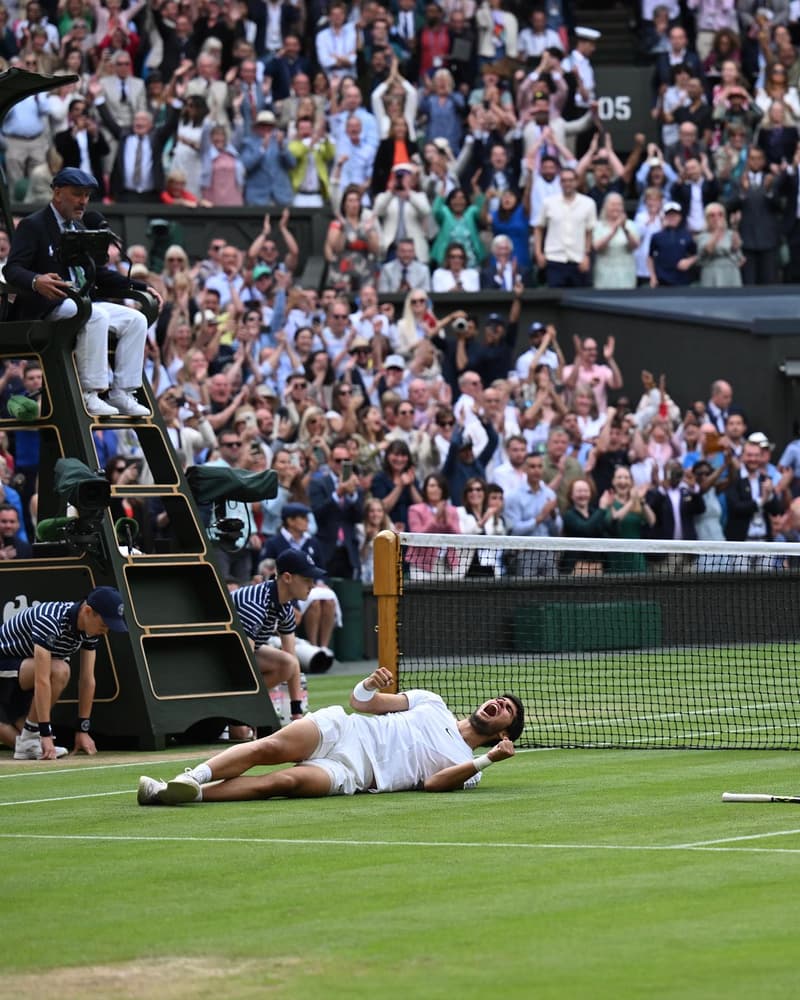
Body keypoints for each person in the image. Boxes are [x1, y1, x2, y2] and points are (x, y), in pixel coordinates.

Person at [137, 666, 524, 803]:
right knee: (270, 746)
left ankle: (179, 794)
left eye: (506, 710)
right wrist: (370, 684)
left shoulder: (470, 769)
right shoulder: (432, 702)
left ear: (502, 733)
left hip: (356, 773)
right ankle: (194, 776)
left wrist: (488, 761)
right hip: (346, 730)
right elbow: (362, 703)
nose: (497, 704)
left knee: (282, 781)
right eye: (499, 699)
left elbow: (433, 784)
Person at [5, 168, 156, 417]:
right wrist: (36, 280)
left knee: (135, 320)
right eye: (77, 194)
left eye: (86, 195)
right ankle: (90, 392)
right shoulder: (33, 225)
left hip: (82, 300)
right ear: (57, 192)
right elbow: (13, 269)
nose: (83, 201)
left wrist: (140, 287)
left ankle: (123, 392)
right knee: (95, 316)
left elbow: (97, 272)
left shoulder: (79, 226)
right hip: (48, 304)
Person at [0, 586, 128, 759]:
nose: (106, 631)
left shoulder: (90, 631)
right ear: (88, 611)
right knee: (60, 669)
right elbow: (42, 679)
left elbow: (87, 680)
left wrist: (83, 729)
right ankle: (32, 736)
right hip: (7, 667)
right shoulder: (50, 620)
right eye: (104, 624)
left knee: (23, 746)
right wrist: (44, 733)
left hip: (19, 679)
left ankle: (28, 738)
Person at [229, 548, 325, 731]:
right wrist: (244, 715)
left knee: (288, 663)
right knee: (240, 732)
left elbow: (292, 661)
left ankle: (242, 708)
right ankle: (235, 709)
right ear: (287, 578)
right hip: (224, 658)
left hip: (239, 654)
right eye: (306, 579)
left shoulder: (285, 606)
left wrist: (297, 716)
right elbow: (243, 662)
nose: (312, 585)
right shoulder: (254, 604)